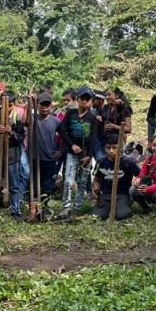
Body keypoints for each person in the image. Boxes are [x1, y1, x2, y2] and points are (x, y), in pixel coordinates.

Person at [58, 85, 99, 218]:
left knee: (82, 182)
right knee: (68, 181)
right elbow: (61, 129)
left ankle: (77, 208)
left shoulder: (93, 118)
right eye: (82, 98)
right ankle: (66, 207)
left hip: (86, 155)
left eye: (88, 99)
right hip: (72, 154)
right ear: (77, 99)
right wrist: (72, 145)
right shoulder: (71, 113)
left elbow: (93, 138)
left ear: (91, 101)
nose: (85, 101)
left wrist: (89, 156)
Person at [0, 92, 25, 219]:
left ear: (13, 104)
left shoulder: (17, 117)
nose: (7, 107)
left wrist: (11, 132)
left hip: (13, 156)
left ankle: (15, 210)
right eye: (4, 105)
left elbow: (21, 137)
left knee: (14, 185)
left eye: (10, 105)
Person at [91, 133, 141, 220]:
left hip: (122, 195)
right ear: (104, 148)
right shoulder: (101, 162)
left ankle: (124, 205)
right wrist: (95, 190)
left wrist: (138, 180)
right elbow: (96, 179)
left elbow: (140, 174)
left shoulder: (128, 162)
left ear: (120, 148)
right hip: (105, 195)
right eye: (108, 148)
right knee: (98, 216)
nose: (111, 151)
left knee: (122, 215)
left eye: (114, 147)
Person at [33, 91, 63, 209]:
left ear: (51, 105)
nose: (45, 107)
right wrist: (30, 102)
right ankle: (35, 207)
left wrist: (60, 151)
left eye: (47, 105)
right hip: (35, 158)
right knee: (36, 184)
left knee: (47, 185)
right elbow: (25, 121)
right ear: (38, 105)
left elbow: (64, 136)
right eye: (42, 105)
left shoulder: (55, 121)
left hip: (50, 158)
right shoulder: (33, 119)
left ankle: (45, 208)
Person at [95, 87, 132, 162]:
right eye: (106, 95)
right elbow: (100, 120)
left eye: (109, 95)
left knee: (117, 162)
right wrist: (98, 118)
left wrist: (114, 126)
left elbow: (128, 129)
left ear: (117, 95)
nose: (107, 97)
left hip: (117, 141)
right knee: (104, 162)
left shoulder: (124, 108)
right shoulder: (105, 108)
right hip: (105, 141)